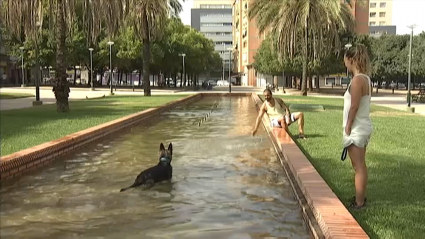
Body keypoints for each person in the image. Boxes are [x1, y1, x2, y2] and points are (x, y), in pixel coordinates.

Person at [342, 43, 373, 209]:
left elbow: (354, 106)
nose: (344, 63)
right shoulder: (366, 79)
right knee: (360, 165)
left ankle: (359, 203)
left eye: (345, 60)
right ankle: (360, 198)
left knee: (358, 166)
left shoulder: (357, 81)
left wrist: (348, 126)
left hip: (357, 128)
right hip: (364, 126)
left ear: (351, 59)